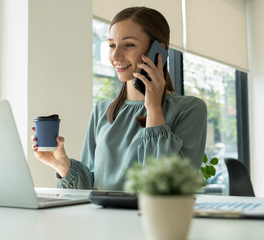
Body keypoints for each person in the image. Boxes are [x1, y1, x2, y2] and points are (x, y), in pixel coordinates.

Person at [32, 6, 207, 190]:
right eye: (111, 45)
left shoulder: (190, 109)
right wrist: (61, 163)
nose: (115, 56)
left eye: (128, 44)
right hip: (101, 219)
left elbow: (167, 186)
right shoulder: (102, 111)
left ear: (157, 51)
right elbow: (89, 190)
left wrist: (154, 108)